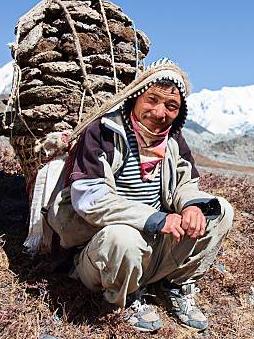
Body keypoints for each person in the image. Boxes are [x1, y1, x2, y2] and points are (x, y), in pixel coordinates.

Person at [46, 59, 233, 332]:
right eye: (152, 100)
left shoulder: (172, 140)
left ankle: (174, 285)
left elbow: (185, 182)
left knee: (220, 210)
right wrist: (156, 219)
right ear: (135, 97)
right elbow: (91, 199)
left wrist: (191, 206)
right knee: (122, 237)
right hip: (101, 250)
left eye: (171, 106)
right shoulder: (103, 133)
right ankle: (124, 296)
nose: (159, 113)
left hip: (152, 244)